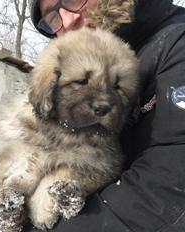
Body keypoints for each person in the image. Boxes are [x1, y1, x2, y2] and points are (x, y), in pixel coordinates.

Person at [28, 0, 185, 231]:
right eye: (52, 18)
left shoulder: (176, 43)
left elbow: (165, 189)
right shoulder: (57, 76)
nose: (69, 20)